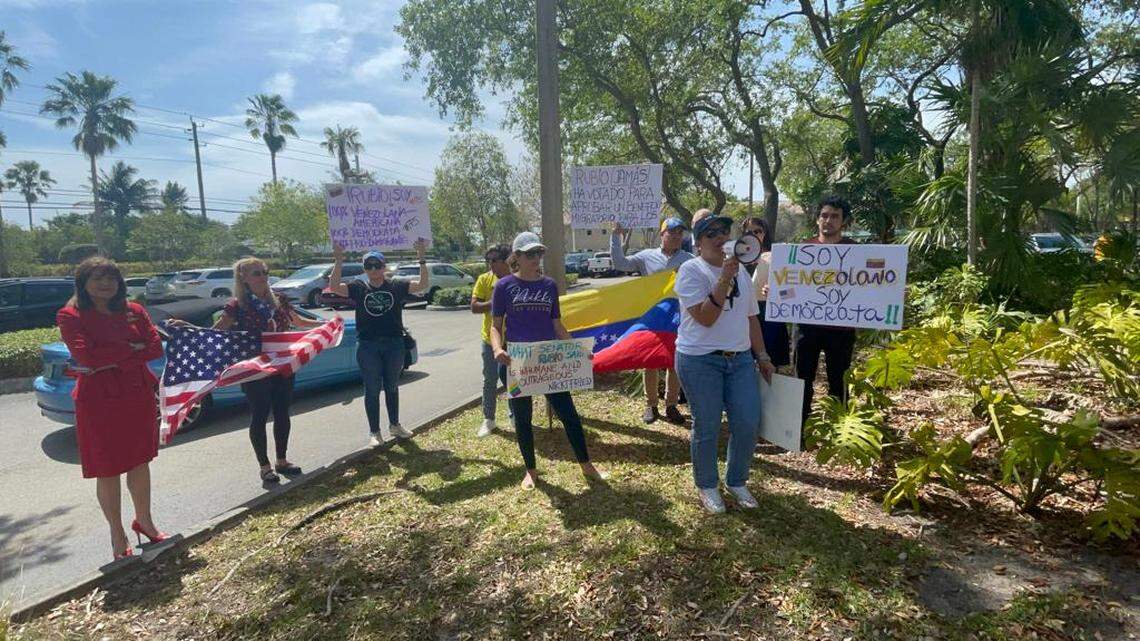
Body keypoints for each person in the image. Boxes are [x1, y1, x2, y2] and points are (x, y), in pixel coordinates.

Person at [172, 257, 327, 483]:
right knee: (260, 415)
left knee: (283, 413)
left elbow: (299, 322)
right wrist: (191, 330)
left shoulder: (280, 300)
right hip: (255, 368)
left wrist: (327, 325)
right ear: (243, 278)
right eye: (256, 273)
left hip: (283, 365)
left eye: (264, 271)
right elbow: (218, 331)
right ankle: (264, 466)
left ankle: (282, 460)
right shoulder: (237, 306)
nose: (262, 276)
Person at [57, 257, 168, 559]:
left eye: (111, 278)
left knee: (140, 461)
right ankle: (116, 533)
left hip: (136, 394)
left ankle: (144, 521)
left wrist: (111, 355)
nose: (105, 284)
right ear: (83, 283)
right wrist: (132, 350)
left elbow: (155, 348)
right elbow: (85, 356)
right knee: (107, 468)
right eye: (97, 278)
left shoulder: (134, 311)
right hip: (99, 400)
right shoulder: (71, 315)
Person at [673, 209, 775, 514]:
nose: (720, 238)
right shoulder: (691, 271)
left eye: (724, 232)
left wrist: (763, 356)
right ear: (698, 242)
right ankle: (707, 485)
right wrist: (725, 277)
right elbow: (705, 317)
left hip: (740, 360)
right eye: (711, 234)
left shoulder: (741, 271)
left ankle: (736, 480)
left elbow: (751, 317)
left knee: (746, 422)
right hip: (699, 361)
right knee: (707, 425)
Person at [491, 231, 605, 489]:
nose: (536, 258)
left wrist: (576, 349)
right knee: (523, 419)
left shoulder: (549, 286)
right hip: (517, 364)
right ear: (516, 257)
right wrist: (498, 348)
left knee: (570, 415)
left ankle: (586, 465)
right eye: (530, 254)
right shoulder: (503, 286)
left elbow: (557, 325)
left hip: (548, 364)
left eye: (539, 253)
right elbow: (496, 325)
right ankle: (530, 470)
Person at [329, 240, 430, 447]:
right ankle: (374, 432)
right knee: (372, 388)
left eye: (377, 265)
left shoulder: (396, 285)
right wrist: (338, 260)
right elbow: (333, 287)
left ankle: (395, 425)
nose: (373, 269)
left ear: (384, 267)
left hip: (394, 344)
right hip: (368, 345)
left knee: (392, 386)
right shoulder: (358, 287)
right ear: (364, 268)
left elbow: (422, 285)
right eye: (369, 266)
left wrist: (421, 257)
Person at [609, 217, 694, 424]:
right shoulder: (647, 256)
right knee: (650, 360)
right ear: (662, 234)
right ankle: (651, 405)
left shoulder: (689, 259)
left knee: (674, 360)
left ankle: (671, 405)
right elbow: (620, 263)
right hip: (652, 316)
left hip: (677, 317)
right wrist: (615, 236)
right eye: (671, 232)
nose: (675, 236)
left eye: (679, 233)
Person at [795, 195, 859, 424]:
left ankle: (838, 429)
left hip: (841, 328)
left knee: (839, 381)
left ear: (844, 221)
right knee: (802, 379)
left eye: (834, 216)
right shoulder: (803, 249)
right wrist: (773, 290)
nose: (828, 220)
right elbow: (791, 284)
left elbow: (872, 284)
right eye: (824, 215)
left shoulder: (856, 251)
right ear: (817, 219)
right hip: (807, 327)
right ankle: (799, 429)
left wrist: (889, 292)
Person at [470, 244, 512, 437]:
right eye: (488, 260)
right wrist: (495, 301)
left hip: (513, 340)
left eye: (494, 260)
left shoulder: (517, 280)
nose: (490, 264)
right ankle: (489, 419)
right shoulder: (484, 279)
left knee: (513, 380)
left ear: (506, 261)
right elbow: (474, 306)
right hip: (490, 340)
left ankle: (515, 416)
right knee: (490, 380)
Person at [742, 217, 791, 368]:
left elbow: (794, 293)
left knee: (771, 365)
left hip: (770, 317)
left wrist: (778, 293)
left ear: (765, 233)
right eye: (749, 231)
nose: (754, 234)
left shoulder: (779, 256)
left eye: (758, 231)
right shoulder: (735, 259)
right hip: (744, 316)